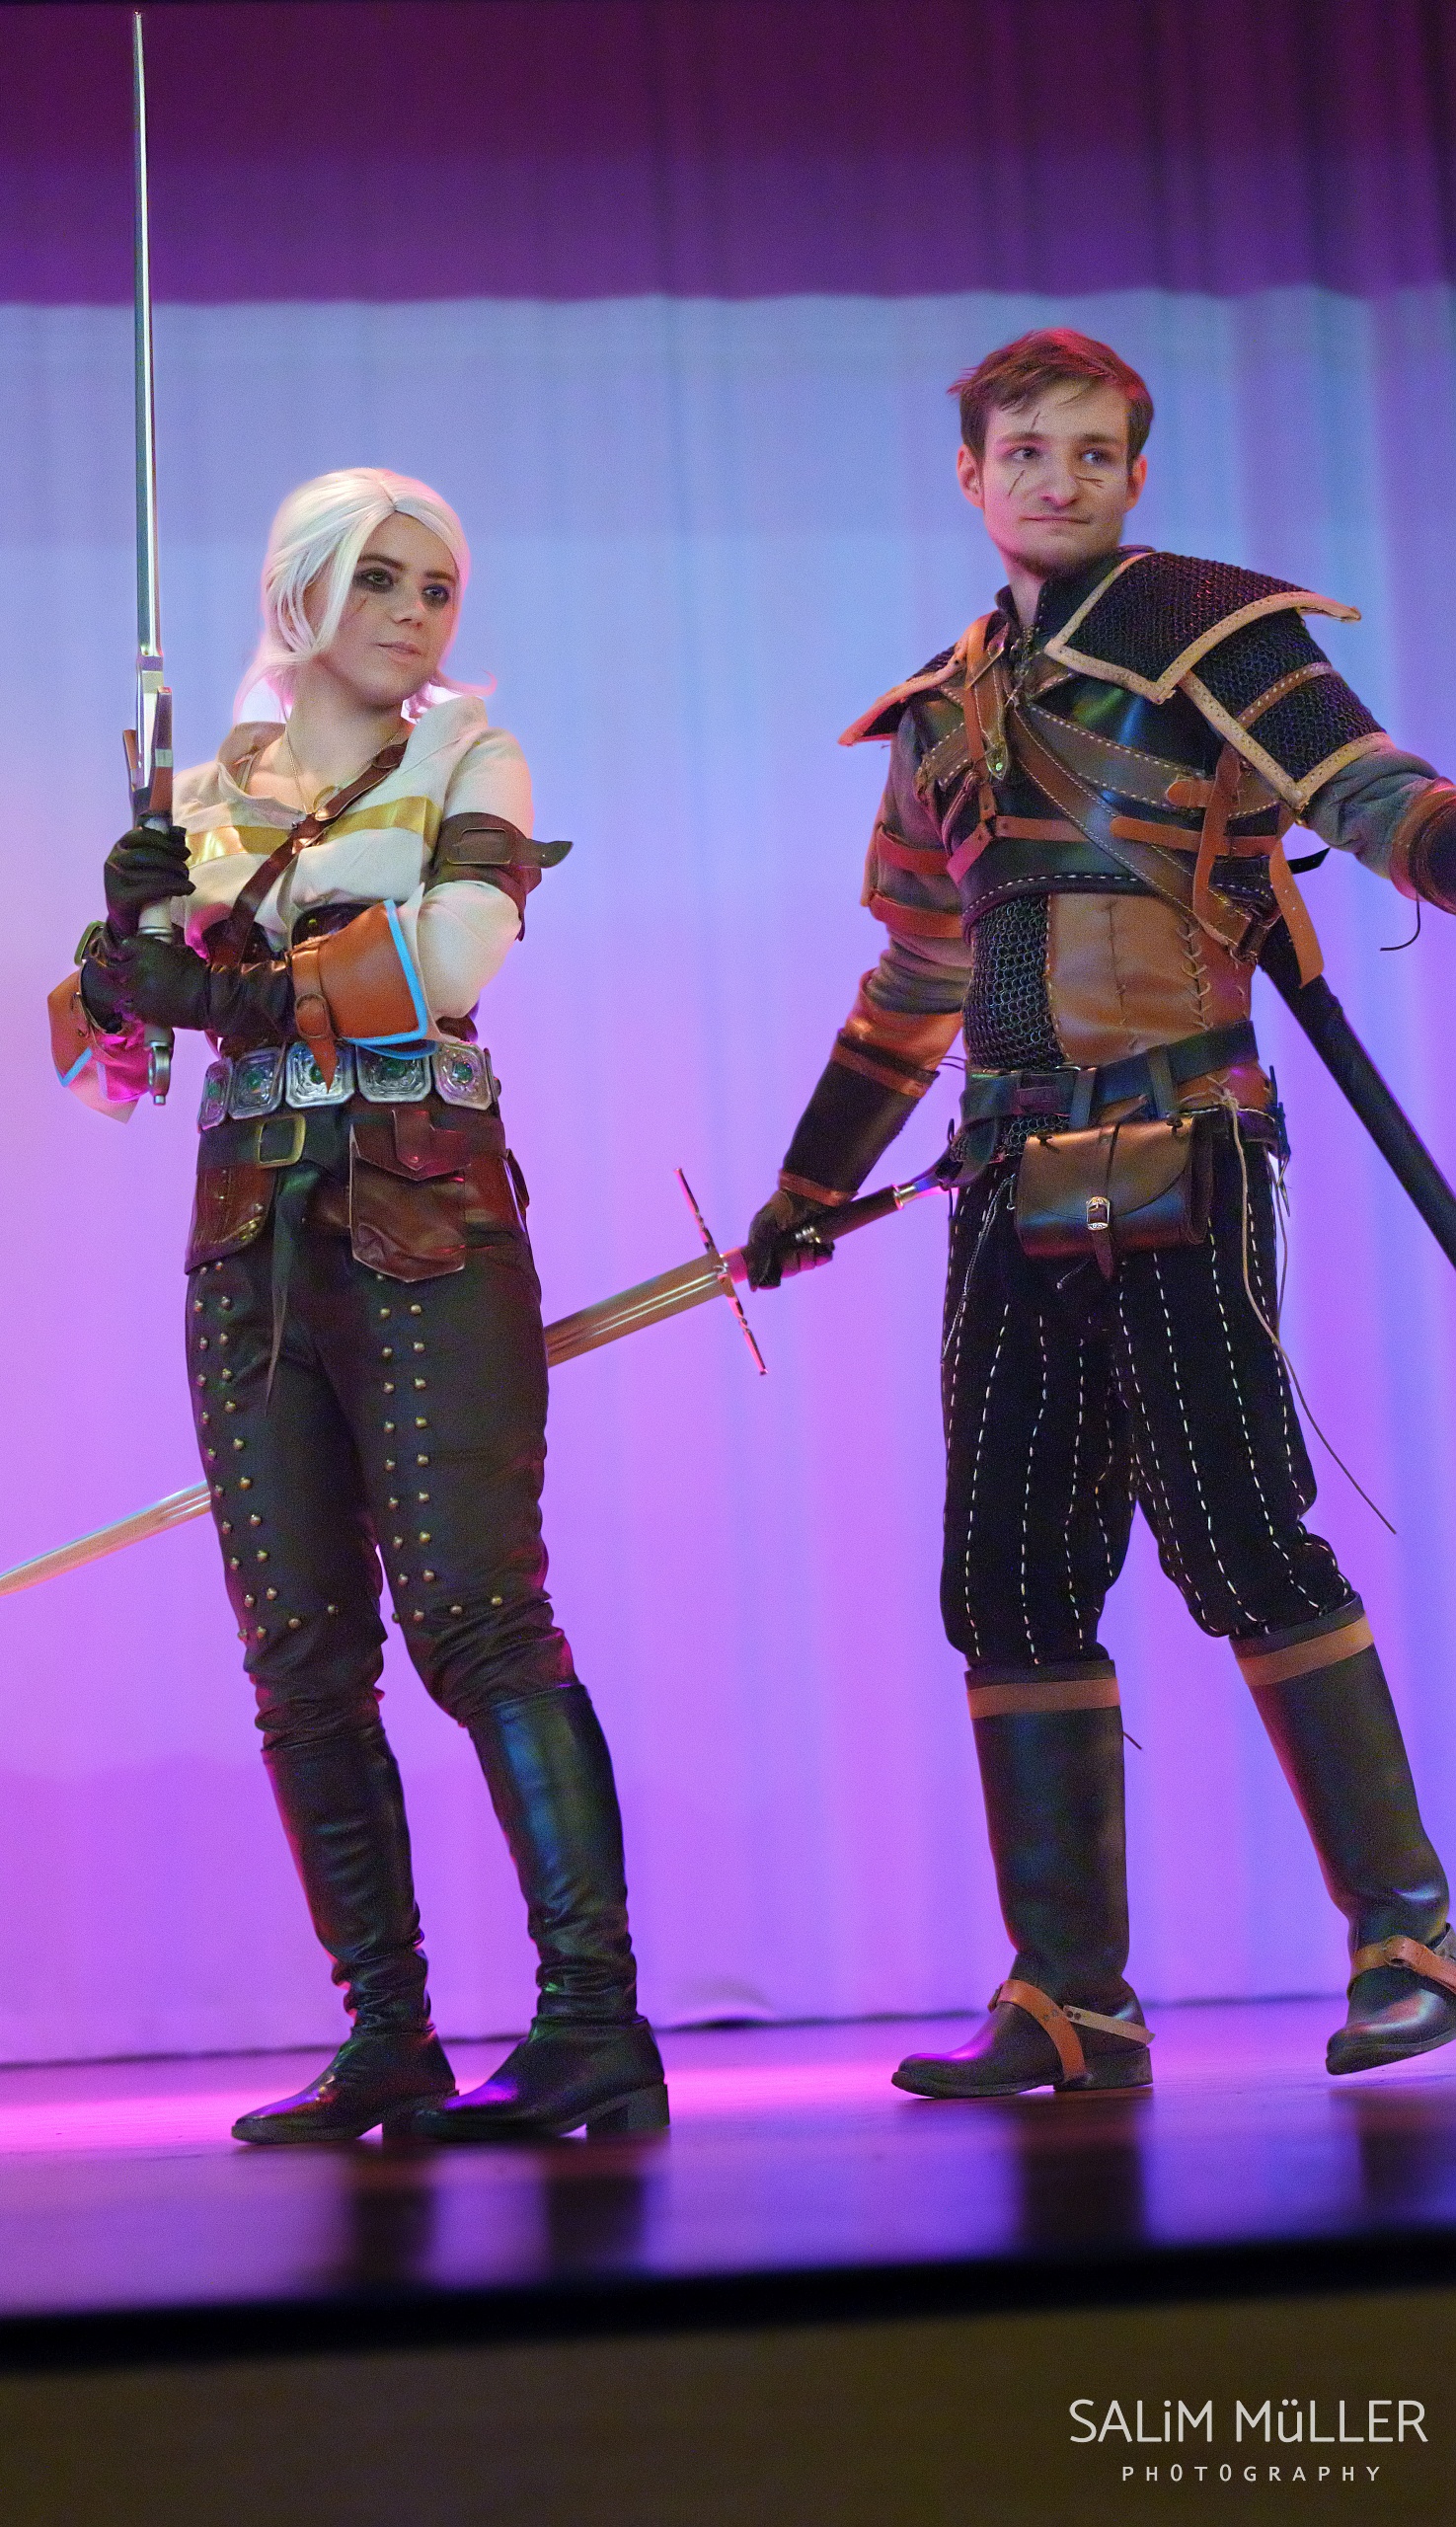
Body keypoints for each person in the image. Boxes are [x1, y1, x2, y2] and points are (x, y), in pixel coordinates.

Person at [745, 331, 1456, 2099]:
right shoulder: (938, 713)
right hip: (1004, 1178)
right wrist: (813, 1181)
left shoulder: (1214, 629)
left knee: (1241, 1537)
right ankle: (1070, 1998)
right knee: (1004, 1576)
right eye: (1024, 451)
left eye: (1090, 453)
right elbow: (919, 976)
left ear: (1137, 473)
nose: (1055, 480)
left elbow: (1371, 795)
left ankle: (1411, 1937)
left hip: (1180, 1152)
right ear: (970, 475)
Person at [48, 466, 666, 2142]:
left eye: (437, 585)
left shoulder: (470, 756)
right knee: (302, 1664)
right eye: (380, 579)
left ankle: (594, 2024)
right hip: (247, 1247)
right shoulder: (201, 798)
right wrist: (119, 947)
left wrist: (225, 986)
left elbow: (449, 963)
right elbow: (113, 1076)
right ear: (302, 591)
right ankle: (387, 2032)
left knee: (478, 1623)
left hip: (426, 1227)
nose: (413, 613)